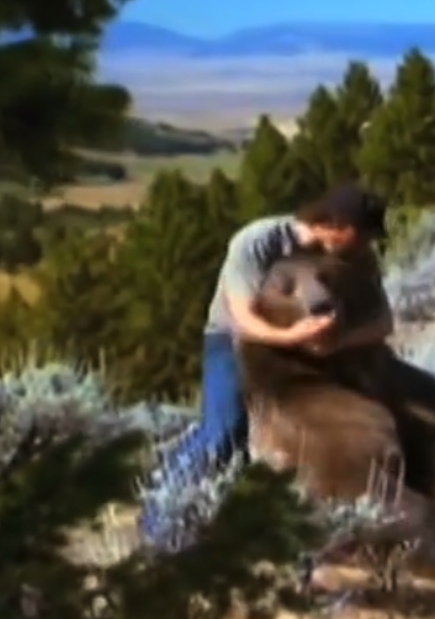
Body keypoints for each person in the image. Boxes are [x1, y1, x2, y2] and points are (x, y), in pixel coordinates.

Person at [138, 183, 393, 549]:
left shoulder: (358, 258)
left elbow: (384, 322)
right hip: (236, 341)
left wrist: (338, 342)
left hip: (316, 347)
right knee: (225, 430)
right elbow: (242, 317)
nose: (367, 243)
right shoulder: (259, 240)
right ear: (335, 224)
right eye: (363, 233)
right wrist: (293, 336)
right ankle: (159, 521)